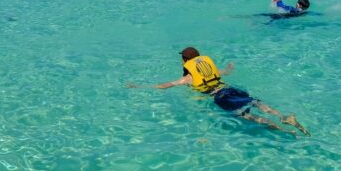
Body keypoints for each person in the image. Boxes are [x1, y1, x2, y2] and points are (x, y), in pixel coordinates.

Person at [127, 47, 309, 137]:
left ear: (185, 60)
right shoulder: (210, 69)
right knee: (257, 103)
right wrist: (230, 66)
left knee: (250, 117)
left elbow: (165, 85)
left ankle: (284, 131)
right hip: (230, 88)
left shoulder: (188, 78)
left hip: (221, 97)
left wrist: (140, 87)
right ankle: (285, 117)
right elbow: (226, 72)